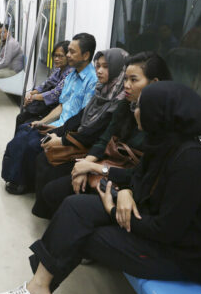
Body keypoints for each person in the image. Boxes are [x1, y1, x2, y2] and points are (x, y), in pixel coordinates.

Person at [0, 82, 201, 294]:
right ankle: (39, 289)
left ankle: (39, 289)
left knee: (86, 236)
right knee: (74, 207)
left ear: (158, 115)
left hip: (180, 255)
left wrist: (113, 210)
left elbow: (166, 230)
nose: (134, 111)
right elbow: (137, 176)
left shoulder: (191, 164)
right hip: (151, 219)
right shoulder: (165, 144)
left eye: (139, 107)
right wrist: (118, 185)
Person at [32, 50, 168, 219]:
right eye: (125, 79)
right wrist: (83, 166)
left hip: (127, 180)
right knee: (52, 187)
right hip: (108, 162)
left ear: (154, 83)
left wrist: (92, 166)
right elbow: (104, 138)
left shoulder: (163, 121)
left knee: (68, 201)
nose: (126, 85)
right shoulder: (125, 106)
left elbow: (142, 173)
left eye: (133, 80)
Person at [1, 33, 98, 195]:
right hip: (58, 122)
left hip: (69, 129)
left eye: (72, 52)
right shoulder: (72, 75)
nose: (67, 55)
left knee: (32, 144)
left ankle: (26, 183)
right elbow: (61, 106)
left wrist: (54, 129)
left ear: (86, 55)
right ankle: (13, 177)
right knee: (24, 130)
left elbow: (82, 118)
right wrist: (42, 122)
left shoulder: (92, 81)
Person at [16, 41, 72, 128]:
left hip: (56, 109)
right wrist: (31, 94)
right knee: (20, 117)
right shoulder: (58, 70)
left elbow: (55, 94)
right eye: (55, 56)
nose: (56, 59)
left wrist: (34, 97)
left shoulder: (70, 73)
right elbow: (45, 84)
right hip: (47, 107)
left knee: (25, 124)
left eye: (60, 56)